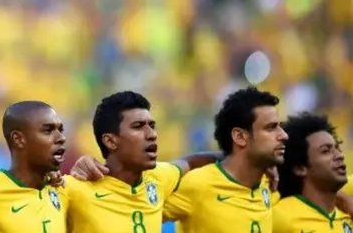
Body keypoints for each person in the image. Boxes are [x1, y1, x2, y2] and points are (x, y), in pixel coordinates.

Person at [64, 91, 224, 233]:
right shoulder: (75, 189)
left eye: (152, 126)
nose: (151, 134)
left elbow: (191, 162)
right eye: (138, 126)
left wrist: (237, 155)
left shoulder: (158, 177)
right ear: (110, 141)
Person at [163, 86, 287, 233]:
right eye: (271, 128)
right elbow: (140, 211)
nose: (284, 135)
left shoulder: (269, 182)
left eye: (280, 127)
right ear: (240, 137)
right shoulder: (198, 185)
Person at [0, 101, 68, 233]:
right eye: (48, 130)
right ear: (18, 139)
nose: (61, 138)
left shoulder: (63, 191)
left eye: (60, 130)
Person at [273, 112, 352, 232]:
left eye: (337, 148)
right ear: (300, 168)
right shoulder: (278, 217)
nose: (339, 155)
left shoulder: (346, 218)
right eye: (326, 151)